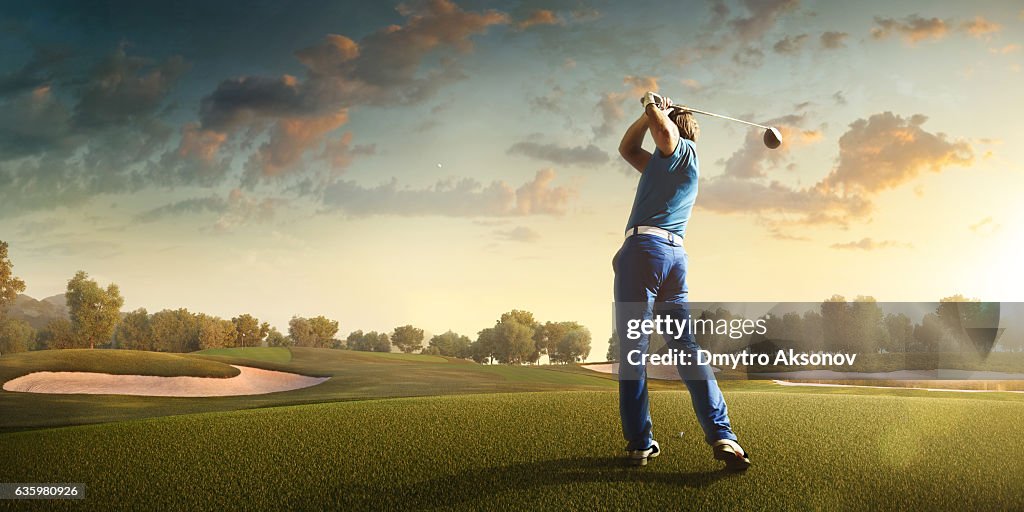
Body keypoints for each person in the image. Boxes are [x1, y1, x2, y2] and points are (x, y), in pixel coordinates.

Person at [613, 91, 750, 470]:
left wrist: (654, 107)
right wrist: (649, 111)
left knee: (633, 353)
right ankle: (723, 435)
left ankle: (640, 443)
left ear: (674, 124)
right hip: (673, 258)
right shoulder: (662, 165)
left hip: (645, 253)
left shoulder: (681, 150)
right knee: (685, 346)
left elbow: (663, 134)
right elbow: (627, 148)